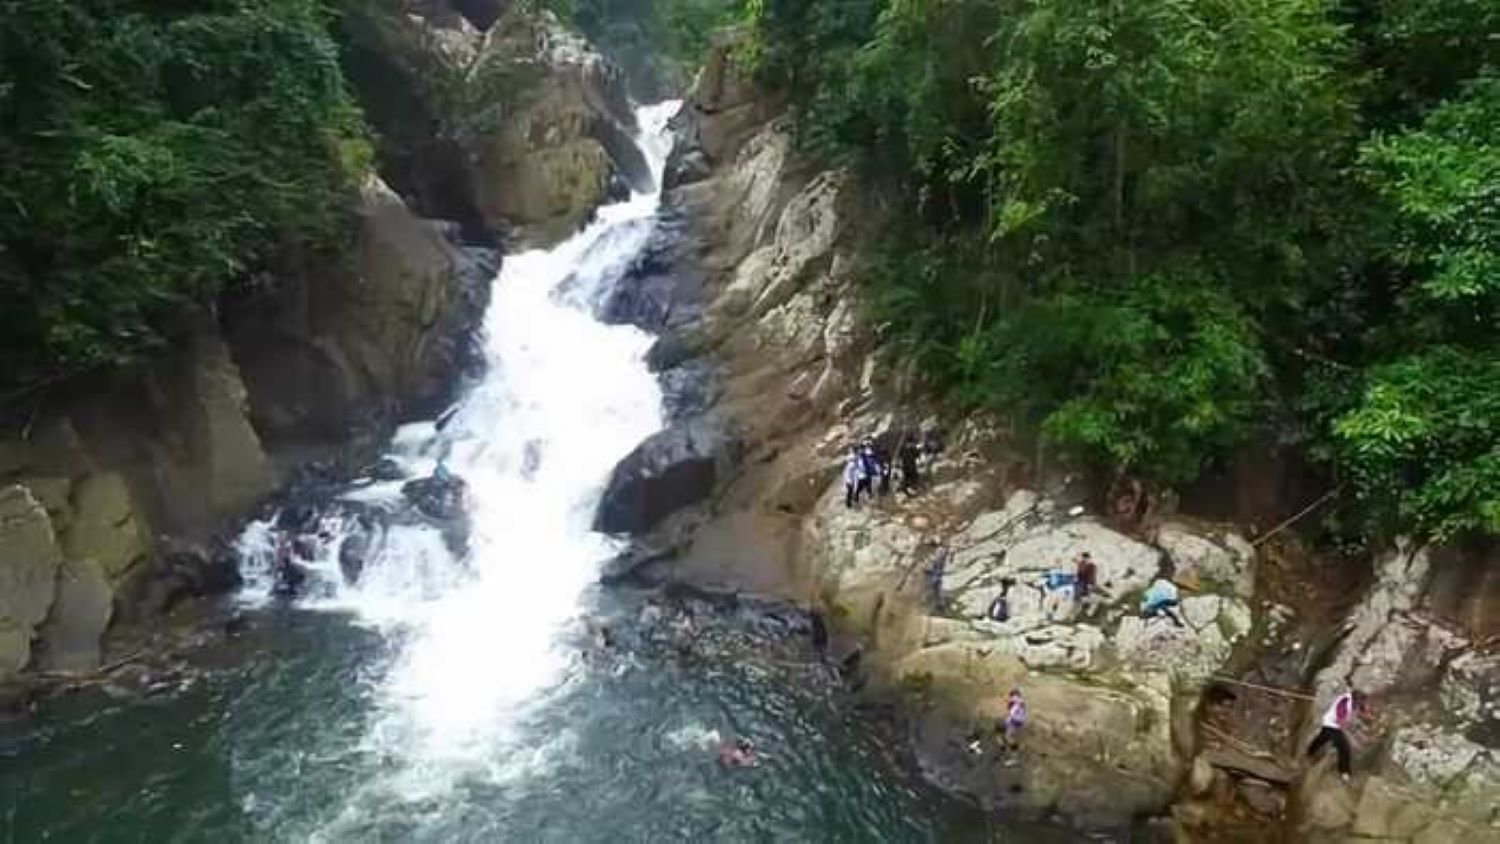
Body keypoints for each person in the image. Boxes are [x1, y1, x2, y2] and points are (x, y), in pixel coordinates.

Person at [1307, 689, 1366, 782]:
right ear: (1357, 699)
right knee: (1344, 748)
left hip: (1330, 724)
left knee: (1321, 739)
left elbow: (1362, 708)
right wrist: (1349, 735)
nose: (1360, 704)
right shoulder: (1345, 701)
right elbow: (1340, 719)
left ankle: (1309, 752)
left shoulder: (1353, 701)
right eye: (1360, 702)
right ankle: (1344, 772)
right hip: (1332, 725)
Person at [1000, 688, 1027, 757]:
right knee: (1005, 735)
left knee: (1008, 736)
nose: (1013, 698)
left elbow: (1013, 712)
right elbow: (1011, 712)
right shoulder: (1015, 703)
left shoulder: (1019, 702)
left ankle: (1014, 754)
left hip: (1016, 721)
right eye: (1012, 696)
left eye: (1014, 696)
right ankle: (1005, 750)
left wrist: (1010, 701)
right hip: (1014, 721)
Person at [924, 546, 950, 611]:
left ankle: (940, 605)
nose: (941, 554)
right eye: (940, 553)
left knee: (938, 591)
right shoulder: (932, 559)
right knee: (931, 590)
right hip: (932, 576)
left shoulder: (943, 561)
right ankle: (935, 605)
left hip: (937, 577)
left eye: (942, 553)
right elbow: (927, 568)